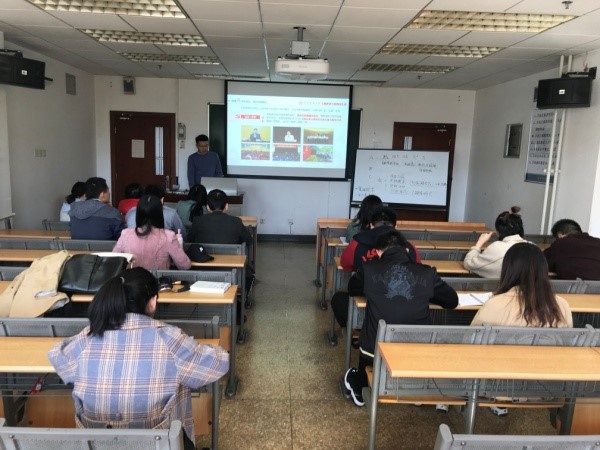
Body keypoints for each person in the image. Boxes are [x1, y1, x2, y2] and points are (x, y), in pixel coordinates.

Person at [48, 268, 229, 449]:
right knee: (180, 380)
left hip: (97, 446)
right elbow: (219, 363)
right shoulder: (169, 338)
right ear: (153, 302)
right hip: (160, 445)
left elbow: (57, 355)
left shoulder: (88, 337)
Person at [343, 230, 458, 407]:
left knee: (369, 337)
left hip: (375, 350)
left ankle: (360, 386)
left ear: (378, 252)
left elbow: (352, 289)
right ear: (406, 250)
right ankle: (414, 387)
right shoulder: (427, 273)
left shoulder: (369, 269)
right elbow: (452, 301)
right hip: (416, 349)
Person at [470, 242, 572, 416]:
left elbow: (470, 343)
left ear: (508, 270)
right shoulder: (561, 305)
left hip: (497, 387)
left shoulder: (495, 304)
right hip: (546, 388)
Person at [331, 206, 421, 329]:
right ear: (395, 226)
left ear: (371, 225)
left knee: (338, 300)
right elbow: (418, 271)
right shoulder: (410, 247)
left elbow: (346, 265)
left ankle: (355, 331)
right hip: (402, 306)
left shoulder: (357, 244)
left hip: (367, 302)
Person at [113, 195, 191, 270]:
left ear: (138, 213)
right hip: (158, 279)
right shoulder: (168, 236)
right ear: (160, 214)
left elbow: (114, 260)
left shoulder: (125, 234)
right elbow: (185, 266)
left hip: (131, 278)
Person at [463, 206, 527, 278]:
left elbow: (469, 263)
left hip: (501, 285)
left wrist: (479, 244)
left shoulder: (497, 248)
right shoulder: (533, 248)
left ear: (497, 232)